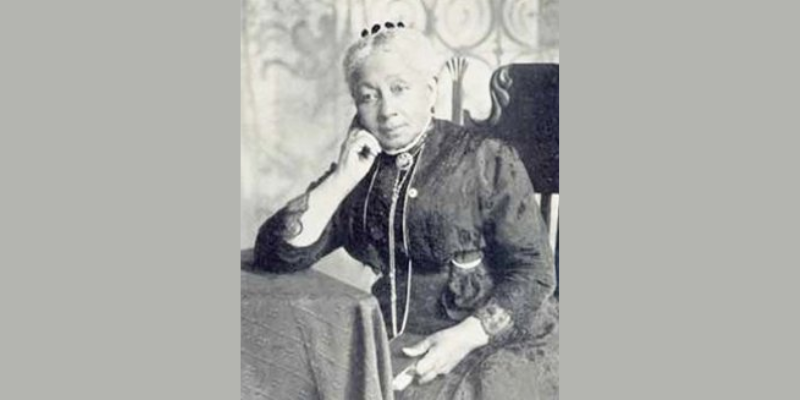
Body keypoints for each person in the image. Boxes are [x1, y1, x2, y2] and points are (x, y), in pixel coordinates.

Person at [253, 23, 559, 400]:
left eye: (400, 89)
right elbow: (275, 254)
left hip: (491, 342)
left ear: (429, 90)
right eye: (369, 97)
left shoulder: (485, 158)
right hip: (391, 341)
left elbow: (535, 274)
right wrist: (342, 178)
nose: (387, 111)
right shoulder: (359, 171)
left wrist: (464, 338)